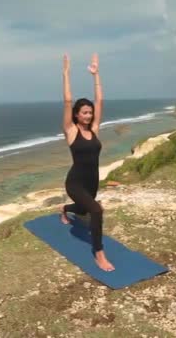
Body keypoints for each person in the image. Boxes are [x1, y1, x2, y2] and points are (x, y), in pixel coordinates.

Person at [59, 53, 114, 272]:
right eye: (85, 112)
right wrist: (66, 74)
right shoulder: (71, 131)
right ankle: (99, 254)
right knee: (97, 210)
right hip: (75, 183)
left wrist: (96, 74)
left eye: (90, 112)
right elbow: (67, 101)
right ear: (76, 114)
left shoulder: (94, 129)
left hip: (93, 182)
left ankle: (64, 208)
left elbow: (100, 100)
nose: (89, 115)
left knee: (83, 210)